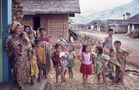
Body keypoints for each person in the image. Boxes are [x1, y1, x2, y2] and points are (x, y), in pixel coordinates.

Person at [6, 21, 29, 90]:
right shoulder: (10, 38)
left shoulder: (21, 37)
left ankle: (24, 81)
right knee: (18, 69)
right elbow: (7, 47)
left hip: (24, 56)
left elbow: (27, 44)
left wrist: (25, 37)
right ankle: (20, 84)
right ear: (13, 29)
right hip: (16, 57)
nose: (19, 30)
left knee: (25, 68)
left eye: (20, 28)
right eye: (17, 28)